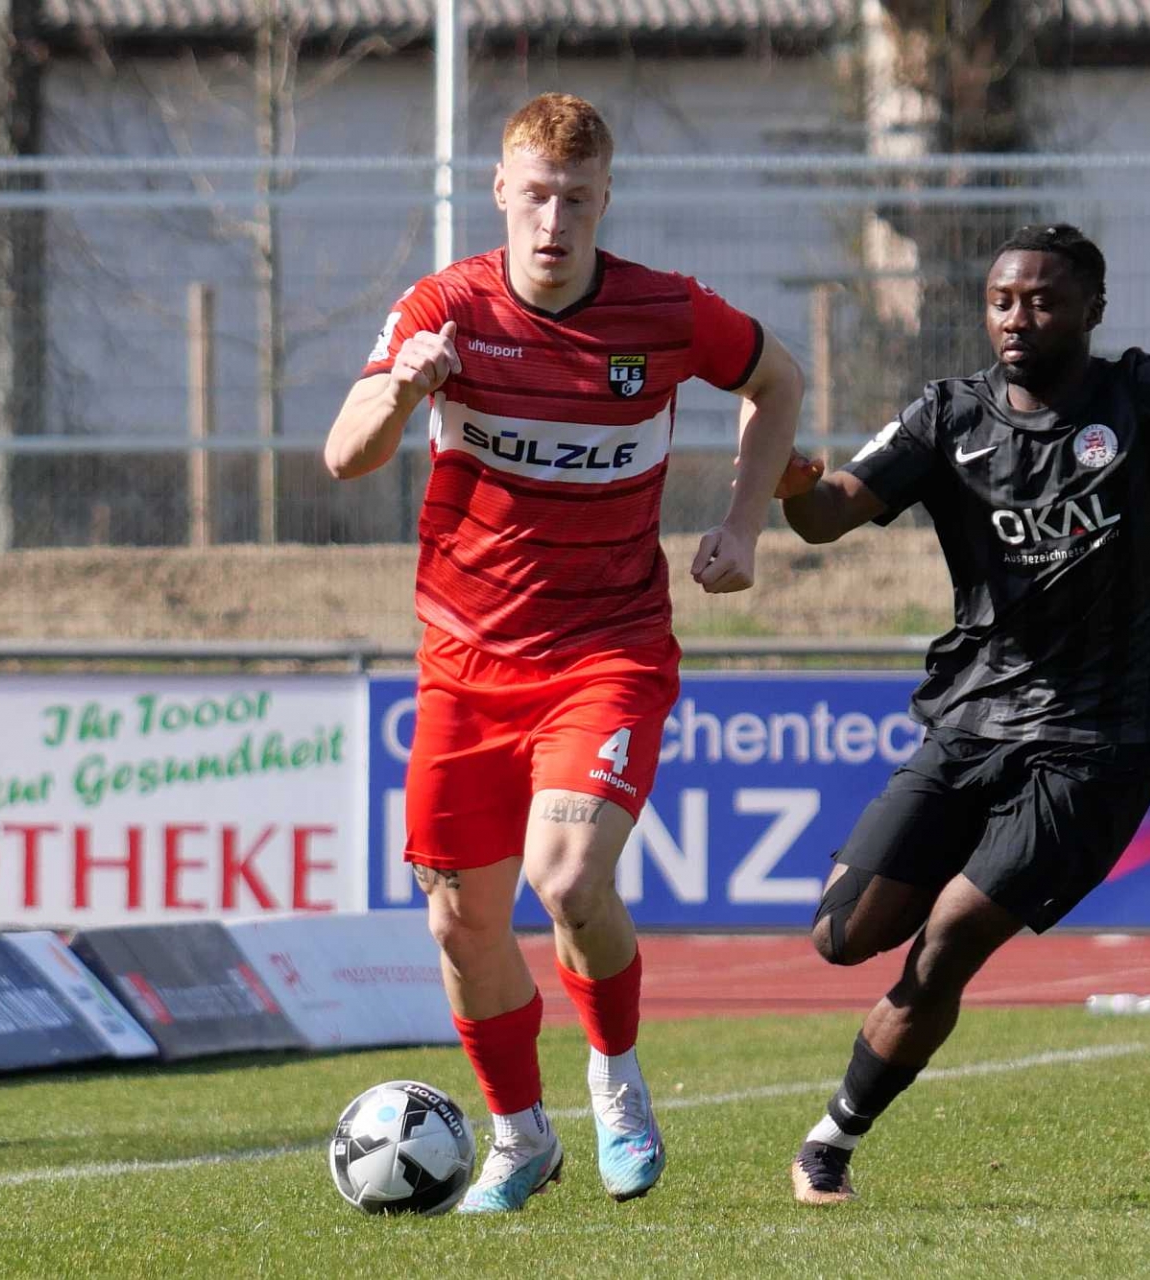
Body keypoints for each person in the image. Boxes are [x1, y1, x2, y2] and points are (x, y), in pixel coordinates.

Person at [770, 110, 1150, 1205]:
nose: (1017, 317)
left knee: (949, 939)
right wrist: (791, 481)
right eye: (1001, 300)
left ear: (1091, 309)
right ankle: (887, 953)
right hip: (972, 721)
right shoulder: (947, 417)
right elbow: (829, 516)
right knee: (842, 936)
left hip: (1098, 745)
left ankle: (830, 1141)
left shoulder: (1147, 398)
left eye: (1041, 299)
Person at [324, 92, 802, 1212]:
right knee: (460, 922)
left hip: (606, 649)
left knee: (571, 875)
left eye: (577, 199)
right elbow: (346, 454)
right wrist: (404, 388)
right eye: (536, 195)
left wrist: (744, 524)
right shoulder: (445, 308)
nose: (554, 221)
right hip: (464, 661)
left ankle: (617, 1086)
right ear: (501, 191)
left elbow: (777, 380)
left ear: (604, 199)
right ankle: (520, 1137)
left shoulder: (665, 311)